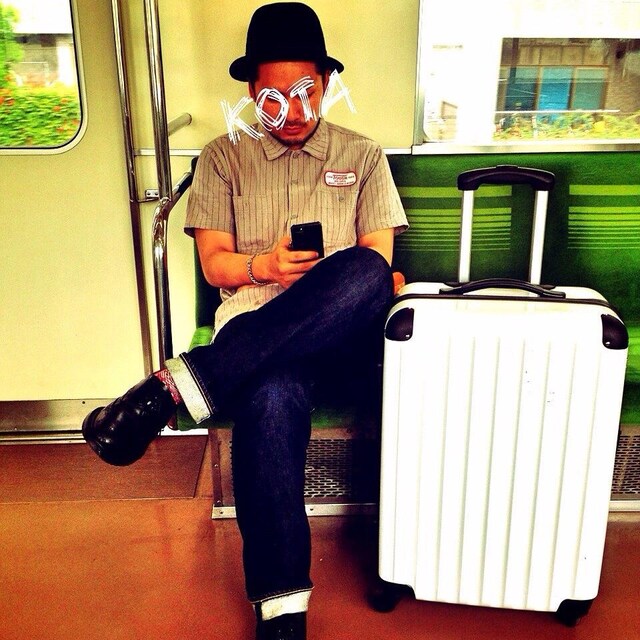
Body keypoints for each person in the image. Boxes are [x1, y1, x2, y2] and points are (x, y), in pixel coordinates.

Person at [82, 3, 408, 639]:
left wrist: (324, 283)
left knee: (366, 272)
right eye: (274, 96)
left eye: (305, 90)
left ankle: (175, 388)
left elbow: (379, 266)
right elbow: (214, 266)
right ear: (253, 94)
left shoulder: (364, 155)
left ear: (325, 83)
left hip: (340, 337)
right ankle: (282, 613)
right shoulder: (223, 157)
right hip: (255, 337)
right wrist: (267, 267)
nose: (293, 109)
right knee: (272, 394)